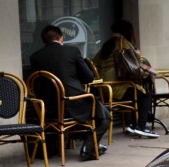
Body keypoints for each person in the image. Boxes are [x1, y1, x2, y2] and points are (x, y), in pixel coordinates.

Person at [29, 24, 110, 160]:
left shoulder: (35, 57)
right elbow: (88, 77)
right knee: (105, 116)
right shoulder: (72, 51)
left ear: (44, 41)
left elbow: (37, 83)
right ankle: (88, 148)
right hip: (73, 102)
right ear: (62, 38)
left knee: (91, 110)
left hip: (48, 108)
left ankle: (88, 143)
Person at [95, 19, 159, 139]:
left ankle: (132, 125)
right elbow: (134, 66)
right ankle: (141, 127)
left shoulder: (106, 45)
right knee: (145, 95)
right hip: (119, 87)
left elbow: (94, 63)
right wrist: (139, 57)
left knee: (137, 93)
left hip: (105, 88)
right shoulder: (123, 43)